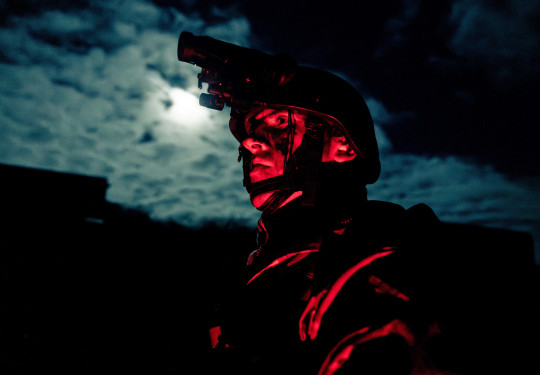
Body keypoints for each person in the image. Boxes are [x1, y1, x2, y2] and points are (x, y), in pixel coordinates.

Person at [177, 34, 536, 375]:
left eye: (278, 124)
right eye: (251, 130)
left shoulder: (386, 258)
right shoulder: (242, 275)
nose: (253, 143)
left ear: (342, 146)